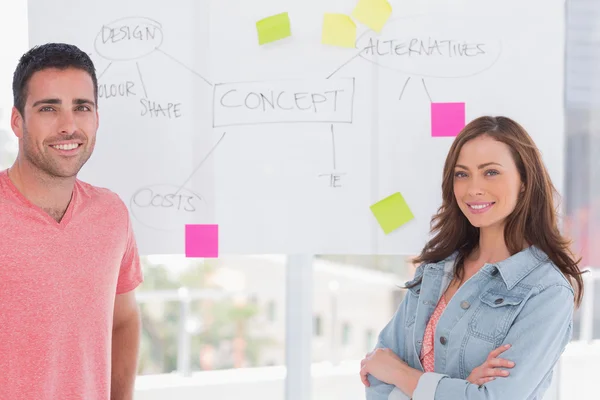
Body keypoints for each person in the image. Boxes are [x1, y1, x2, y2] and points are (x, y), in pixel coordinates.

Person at [360, 116, 585, 399]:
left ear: (524, 181)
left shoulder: (547, 291)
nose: (473, 188)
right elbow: (375, 377)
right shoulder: (435, 268)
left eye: (490, 172)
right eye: (462, 174)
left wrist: (401, 374)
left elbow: (494, 397)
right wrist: (462, 387)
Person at [0, 43, 143, 399]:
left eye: (82, 107)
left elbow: (122, 321)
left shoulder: (111, 215)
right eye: (48, 108)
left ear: (96, 118)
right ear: (18, 121)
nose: (68, 126)